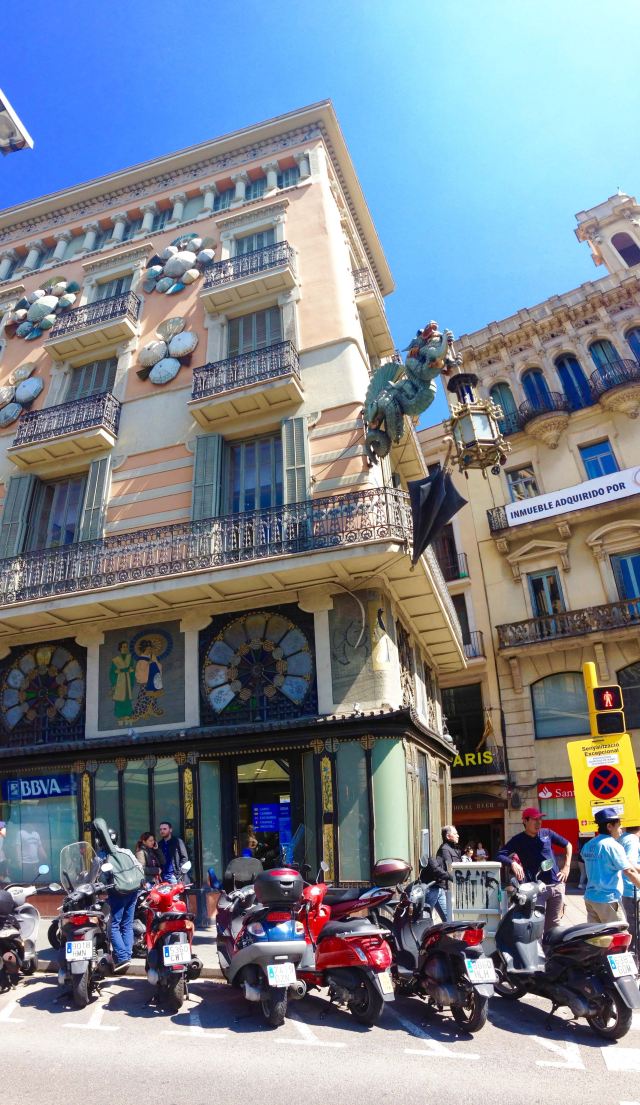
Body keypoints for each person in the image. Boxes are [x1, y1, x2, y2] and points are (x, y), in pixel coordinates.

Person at [497, 806, 572, 932]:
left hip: (556, 885)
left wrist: (566, 867)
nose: (539, 823)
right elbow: (499, 855)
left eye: (540, 819)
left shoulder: (547, 833)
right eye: (534, 819)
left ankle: (550, 951)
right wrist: (512, 863)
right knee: (536, 924)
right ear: (525, 821)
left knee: (554, 925)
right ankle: (537, 951)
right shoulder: (518, 840)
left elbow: (568, 844)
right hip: (536, 888)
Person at [95, 825, 143, 973]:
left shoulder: (102, 856)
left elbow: (99, 878)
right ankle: (126, 955)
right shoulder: (126, 851)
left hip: (117, 893)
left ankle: (122, 956)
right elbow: (139, 868)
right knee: (127, 924)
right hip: (133, 891)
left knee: (114, 925)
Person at [581, 809, 640, 925]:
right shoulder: (613, 845)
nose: (621, 829)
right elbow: (630, 871)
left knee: (598, 939)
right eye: (619, 826)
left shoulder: (588, 844)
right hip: (608, 900)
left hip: (590, 898)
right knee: (619, 937)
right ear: (609, 826)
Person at [620, 824, 640, 951]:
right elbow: (629, 863)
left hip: (625, 889)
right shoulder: (632, 840)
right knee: (635, 926)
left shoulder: (623, 838)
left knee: (631, 925)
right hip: (632, 889)